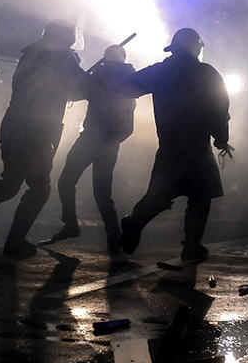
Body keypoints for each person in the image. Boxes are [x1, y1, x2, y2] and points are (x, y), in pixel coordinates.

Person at [0, 20, 89, 259]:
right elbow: (82, 88)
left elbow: (61, 89)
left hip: (15, 125)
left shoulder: (32, 54)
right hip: (37, 131)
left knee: (11, 181)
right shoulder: (62, 58)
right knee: (39, 188)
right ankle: (13, 241)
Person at [119, 28, 231, 263]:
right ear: (196, 48)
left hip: (170, 147)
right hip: (198, 148)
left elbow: (129, 85)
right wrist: (221, 138)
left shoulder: (162, 71)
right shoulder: (207, 73)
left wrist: (116, 70)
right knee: (200, 198)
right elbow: (220, 108)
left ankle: (135, 223)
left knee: (159, 196)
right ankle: (191, 245)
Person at [51, 44, 136, 255]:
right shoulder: (129, 77)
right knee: (102, 193)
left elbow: (78, 91)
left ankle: (71, 224)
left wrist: (87, 73)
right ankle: (113, 240)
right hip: (109, 141)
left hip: (92, 138)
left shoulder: (103, 74)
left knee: (66, 182)